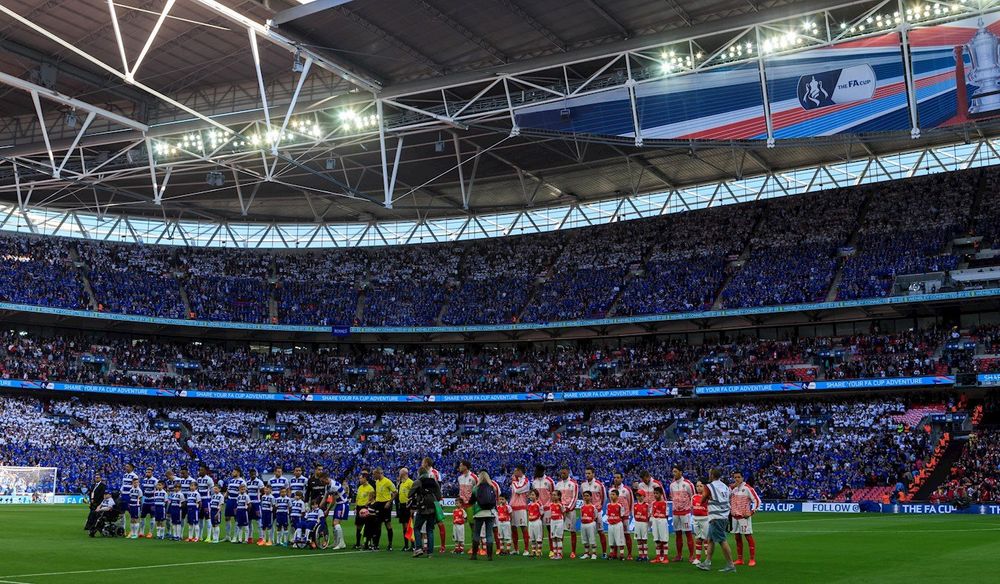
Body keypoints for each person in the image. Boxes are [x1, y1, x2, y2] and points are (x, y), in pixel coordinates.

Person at [698, 468, 736, 573]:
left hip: (716, 516)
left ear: (712, 475)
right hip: (723, 515)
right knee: (710, 539)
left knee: (722, 540)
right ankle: (707, 562)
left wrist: (707, 497)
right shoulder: (725, 486)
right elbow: (729, 498)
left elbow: (702, 500)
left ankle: (731, 565)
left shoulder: (709, 486)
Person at [730, 471, 761, 567]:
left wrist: (751, 512)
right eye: (735, 477)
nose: (737, 479)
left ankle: (752, 559)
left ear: (742, 478)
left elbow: (757, 501)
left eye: (739, 477)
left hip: (744, 517)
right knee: (737, 538)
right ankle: (740, 559)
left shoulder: (748, 488)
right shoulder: (733, 489)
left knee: (748, 537)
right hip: (734, 517)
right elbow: (726, 497)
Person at [409, 468, 442, 558]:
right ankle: (430, 553)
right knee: (430, 530)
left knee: (417, 528)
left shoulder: (418, 481)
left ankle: (418, 548)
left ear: (419, 473)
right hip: (432, 508)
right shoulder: (433, 481)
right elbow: (439, 495)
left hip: (422, 508)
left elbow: (410, 494)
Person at [420, 457, 448, 554]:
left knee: (440, 523)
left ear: (427, 463)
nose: (421, 463)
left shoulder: (435, 473)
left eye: (423, 462)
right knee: (426, 524)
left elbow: (438, 488)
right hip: (426, 502)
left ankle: (443, 546)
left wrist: (438, 500)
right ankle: (426, 545)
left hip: (435, 501)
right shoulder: (422, 473)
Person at [670, 464, 696, 563]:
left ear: (681, 472)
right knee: (678, 534)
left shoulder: (688, 484)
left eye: (675, 471)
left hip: (685, 512)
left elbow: (693, 497)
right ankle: (679, 555)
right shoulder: (672, 485)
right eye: (673, 472)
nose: (674, 473)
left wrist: (692, 510)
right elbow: (672, 497)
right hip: (676, 512)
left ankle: (691, 556)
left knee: (688, 533)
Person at [581, 466, 608, 558]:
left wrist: (599, 508)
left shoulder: (599, 485)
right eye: (586, 473)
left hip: (597, 511)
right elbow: (583, 496)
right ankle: (587, 553)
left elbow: (604, 498)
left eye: (589, 473)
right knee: (587, 532)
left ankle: (604, 553)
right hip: (587, 512)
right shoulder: (583, 485)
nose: (587, 475)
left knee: (601, 531)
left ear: (593, 474)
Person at [470, 470, 497, 561]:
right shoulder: (492, 487)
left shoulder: (475, 488)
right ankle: (489, 556)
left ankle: (474, 555)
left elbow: (471, 501)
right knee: (489, 534)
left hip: (479, 512)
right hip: (490, 512)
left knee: (476, 533)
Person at [555, 466, 579, 559]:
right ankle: (560, 551)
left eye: (564, 473)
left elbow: (574, 498)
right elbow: (556, 498)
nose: (562, 475)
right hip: (560, 511)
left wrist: (568, 508)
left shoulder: (574, 484)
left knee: (572, 531)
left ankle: (573, 551)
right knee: (560, 531)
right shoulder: (558, 484)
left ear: (568, 473)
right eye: (561, 473)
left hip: (570, 511)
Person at [530, 464, 555, 553]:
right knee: (539, 529)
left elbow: (553, 494)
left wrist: (551, 505)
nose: (536, 472)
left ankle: (552, 550)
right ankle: (539, 550)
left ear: (543, 471)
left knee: (549, 529)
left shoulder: (549, 481)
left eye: (538, 471)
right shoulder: (534, 482)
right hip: (537, 509)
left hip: (547, 508)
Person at [611, 472, 635, 560]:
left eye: (618, 477)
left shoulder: (627, 490)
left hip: (624, 516)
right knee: (614, 535)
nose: (616, 479)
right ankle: (615, 553)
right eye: (615, 477)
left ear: (622, 479)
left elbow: (631, 502)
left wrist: (630, 514)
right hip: (615, 517)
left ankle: (629, 554)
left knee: (626, 534)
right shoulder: (611, 490)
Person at [323, 472, 350, 550]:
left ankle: (341, 543)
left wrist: (327, 510)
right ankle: (336, 542)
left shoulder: (333, 486)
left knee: (336, 523)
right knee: (333, 524)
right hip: (339, 504)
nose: (322, 482)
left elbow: (333, 500)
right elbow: (325, 497)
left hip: (343, 504)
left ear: (326, 478)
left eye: (323, 480)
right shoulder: (328, 485)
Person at [372, 468, 397, 550]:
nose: (373, 476)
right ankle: (376, 544)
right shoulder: (377, 482)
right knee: (377, 524)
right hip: (378, 504)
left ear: (379, 473)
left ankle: (390, 545)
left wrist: (389, 502)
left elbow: (395, 492)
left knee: (388, 524)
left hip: (386, 504)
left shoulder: (387, 481)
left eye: (374, 474)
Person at [509, 465, 530, 556]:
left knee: (523, 527)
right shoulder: (516, 480)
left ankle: (526, 549)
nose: (514, 472)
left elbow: (517, 490)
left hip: (521, 506)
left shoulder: (526, 481)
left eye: (515, 470)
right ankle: (516, 549)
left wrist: (514, 482)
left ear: (520, 471)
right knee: (513, 527)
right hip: (513, 506)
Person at [223, 468, 246, 543]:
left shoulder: (242, 481)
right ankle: (227, 536)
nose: (232, 473)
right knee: (227, 518)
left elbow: (243, 491)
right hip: (230, 500)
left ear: (238, 473)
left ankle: (235, 536)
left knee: (237, 518)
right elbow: (228, 490)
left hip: (236, 500)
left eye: (234, 471)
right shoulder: (231, 481)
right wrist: (224, 496)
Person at [353, 471, 373, 550]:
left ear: (365, 478)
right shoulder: (360, 487)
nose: (360, 480)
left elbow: (372, 499)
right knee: (358, 526)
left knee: (367, 526)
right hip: (359, 508)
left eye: (361, 478)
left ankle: (367, 543)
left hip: (365, 508)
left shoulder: (370, 488)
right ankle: (358, 543)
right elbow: (357, 498)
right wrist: (355, 507)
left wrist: (366, 505)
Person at [649, 486, 669, 564]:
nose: (655, 495)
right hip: (655, 521)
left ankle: (665, 557)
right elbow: (652, 513)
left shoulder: (665, 503)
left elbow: (666, 515)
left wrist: (662, 519)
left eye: (657, 493)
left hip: (662, 521)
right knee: (657, 539)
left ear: (661, 494)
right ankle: (658, 557)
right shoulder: (653, 503)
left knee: (664, 540)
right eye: (654, 493)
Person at [692, 481, 710, 564]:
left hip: (705, 519)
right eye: (697, 486)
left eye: (700, 486)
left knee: (706, 539)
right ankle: (698, 559)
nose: (698, 487)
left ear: (704, 487)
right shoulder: (693, 497)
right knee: (698, 539)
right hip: (696, 519)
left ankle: (707, 559)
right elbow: (692, 507)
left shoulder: (707, 497)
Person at [606, 489, 626, 560]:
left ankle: (621, 555)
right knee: (611, 540)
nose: (611, 496)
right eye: (611, 494)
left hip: (618, 524)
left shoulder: (620, 505)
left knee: (620, 539)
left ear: (617, 496)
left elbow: (622, 515)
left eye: (613, 494)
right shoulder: (608, 505)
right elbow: (607, 514)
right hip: (610, 524)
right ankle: (611, 554)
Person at [196, 465, 215, 541]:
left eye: (202, 470)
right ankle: (200, 536)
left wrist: (211, 499)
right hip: (200, 500)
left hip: (206, 500)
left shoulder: (209, 479)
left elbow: (212, 491)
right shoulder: (198, 479)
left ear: (205, 471)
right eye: (200, 470)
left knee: (208, 518)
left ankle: (209, 536)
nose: (200, 471)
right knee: (200, 518)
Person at [397, 467, 414, 552]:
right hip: (402, 506)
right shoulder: (401, 483)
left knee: (409, 525)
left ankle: (413, 544)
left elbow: (414, 494)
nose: (399, 475)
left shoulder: (410, 482)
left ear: (404, 473)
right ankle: (406, 545)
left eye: (400, 473)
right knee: (404, 525)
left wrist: (412, 507)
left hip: (408, 506)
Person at [246, 469, 265, 544]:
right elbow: (247, 492)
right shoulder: (247, 482)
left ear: (256, 474)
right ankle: (250, 537)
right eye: (251, 474)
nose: (253, 475)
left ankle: (261, 537)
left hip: (256, 503)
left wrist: (259, 499)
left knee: (258, 521)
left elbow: (262, 492)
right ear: (249, 474)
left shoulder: (259, 482)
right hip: (249, 503)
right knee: (249, 521)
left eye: (254, 474)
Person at [632, 489, 650, 562]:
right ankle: (640, 555)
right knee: (638, 539)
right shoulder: (635, 505)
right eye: (637, 495)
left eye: (640, 495)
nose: (638, 497)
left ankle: (645, 555)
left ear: (643, 496)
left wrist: (646, 520)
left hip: (644, 523)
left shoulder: (646, 505)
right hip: (637, 523)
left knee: (644, 539)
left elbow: (649, 513)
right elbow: (634, 514)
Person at [140, 467, 158, 538]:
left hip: (152, 501)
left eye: (149, 472)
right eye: (147, 472)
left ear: (152, 473)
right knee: (142, 517)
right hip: (145, 501)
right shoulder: (144, 480)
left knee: (152, 517)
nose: (147, 473)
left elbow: (157, 490)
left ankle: (150, 532)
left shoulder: (155, 480)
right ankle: (141, 532)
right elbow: (143, 490)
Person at [580, 490, 598, 560]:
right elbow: (581, 515)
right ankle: (586, 553)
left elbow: (596, 516)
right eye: (584, 496)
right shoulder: (582, 507)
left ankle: (594, 554)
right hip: (583, 524)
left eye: (587, 496)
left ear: (591, 497)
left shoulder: (593, 507)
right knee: (585, 540)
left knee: (592, 539)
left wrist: (592, 522)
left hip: (591, 524)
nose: (585, 497)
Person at [526, 489, 543, 558]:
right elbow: (528, 513)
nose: (531, 496)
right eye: (530, 495)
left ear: (537, 496)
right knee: (532, 537)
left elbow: (542, 513)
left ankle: (539, 551)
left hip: (537, 522)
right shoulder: (529, 504)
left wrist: (537, 518)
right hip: (530, 522)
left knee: (538, 537)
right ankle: (533, 551)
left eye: (533, 495)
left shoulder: (539, 504)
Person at [548, 489, 564, 560]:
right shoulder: (551, 504)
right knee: (553, 537)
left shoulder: (560, 504)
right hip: (552, 521)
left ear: (559, 496)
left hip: (559, 521)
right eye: (552, 495)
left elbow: (564, 513)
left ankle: (559, 554)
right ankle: (555, 553)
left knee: (558, 537)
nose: (553, 496)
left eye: (555, 495)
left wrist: (562, 520)